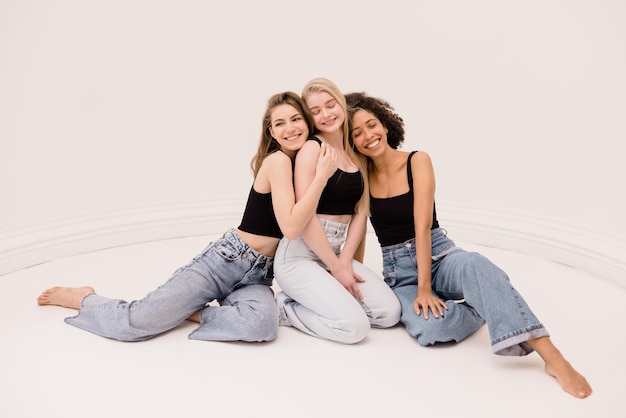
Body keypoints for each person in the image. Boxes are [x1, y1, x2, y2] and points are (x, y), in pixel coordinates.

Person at [345, 91, 592, 398]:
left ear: (384, 123)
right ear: (350, 141)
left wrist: (426, 288)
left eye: (371, 125)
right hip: (400, 272)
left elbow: (421, 227)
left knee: (478, 265)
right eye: (357, 133)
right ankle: (486, 301)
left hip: (438, 253)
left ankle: (553, 357)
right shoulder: (360, 178)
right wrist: (353, 276)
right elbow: (357, 230)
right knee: (433, 329)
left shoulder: (417, 161)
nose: (368, 135)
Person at [37, 91, 338, 343]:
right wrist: (322, 177)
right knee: (136, 323)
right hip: (226, 261)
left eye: (296, 119)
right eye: (280, 123)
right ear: (271, 132)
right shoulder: (278, 161)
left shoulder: (306, 163)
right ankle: (84, 298)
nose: (290, 128)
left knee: (260, 326)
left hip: (259, 275)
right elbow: (291, 226)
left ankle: (191, 312)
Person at [273, 78, 400, 344]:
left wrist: (344, 262)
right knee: (354, 329)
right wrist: (335, 266)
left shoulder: (357, 153)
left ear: (340, 103)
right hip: (299, 256)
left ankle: (325, 298)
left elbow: (360, 214)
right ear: (309, 118)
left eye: (330, 105)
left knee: (389, 314)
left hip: (336, 255)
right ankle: (284, 307)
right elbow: (305, 220)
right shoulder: (312, 148)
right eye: (315, 111)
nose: (326, 114)